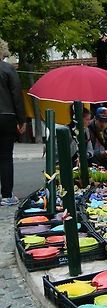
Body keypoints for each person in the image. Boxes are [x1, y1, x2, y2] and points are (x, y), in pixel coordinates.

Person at [0, 39, 26, 206]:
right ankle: (6, 195)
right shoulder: (8, 69)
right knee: (5, 157)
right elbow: (17, 95)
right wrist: (21, 119)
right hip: (6, 116)